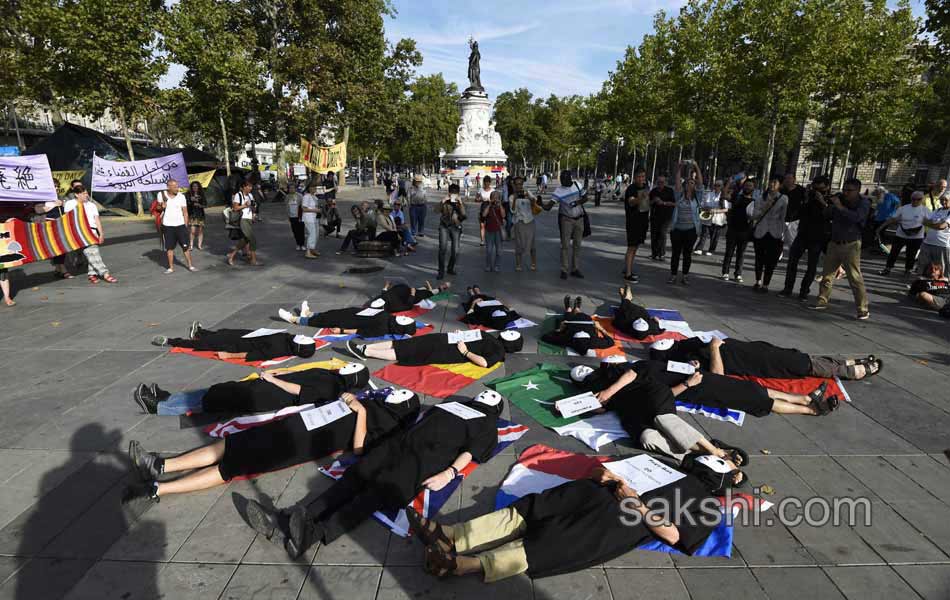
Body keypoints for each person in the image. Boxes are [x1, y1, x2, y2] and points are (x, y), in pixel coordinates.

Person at [243, 391, 504, 558]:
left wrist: (449, 473)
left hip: (420, 462)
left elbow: (472, 452)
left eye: (491, 398)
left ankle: (311, 535)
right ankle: (296, 517)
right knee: (349, 482)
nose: (486, 396)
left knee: (368, 498)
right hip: (394, 447)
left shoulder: (487, 425)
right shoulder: (451, 404)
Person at [408, 456, 731, 581]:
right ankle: (451, 535)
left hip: (623, 521)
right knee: (529, 509)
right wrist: (604, 474)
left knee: (551, 543)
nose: (718, 458)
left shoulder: (707, 505)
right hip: (591, 494)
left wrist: (635, 504)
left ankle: (461, 565)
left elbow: (674, 536)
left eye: (726, 462)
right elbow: (597, 469)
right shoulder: (661, 463)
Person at [123, 386, 419, 504]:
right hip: (299, 423)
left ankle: (158, 488)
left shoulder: (388, 425)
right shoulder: (375, 399)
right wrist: (349, 399)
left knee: (230, 466)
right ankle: (161, 465)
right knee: (231, 443)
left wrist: (362, 413)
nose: (394, 393)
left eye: (400, 395)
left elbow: (359, 451)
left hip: (300, 443)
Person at [570, 361, 750, 465]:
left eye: (584, 368)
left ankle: (714, 450)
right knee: (648, 439)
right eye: (581, 374)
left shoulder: (618, 369)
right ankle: (697, 456)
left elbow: (633, 373)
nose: (584, 371)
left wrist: (609, 391)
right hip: (632, 411)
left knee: (661, 419)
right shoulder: (593, 389)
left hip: (652, 395)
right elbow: (601, 409)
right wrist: (588, 404)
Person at [595, 359, 838, 417]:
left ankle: (805, 399)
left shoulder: (643, 368)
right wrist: (607, 394)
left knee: (756, 389)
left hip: (705, 379)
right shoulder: (637, 376)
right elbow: (631, 378)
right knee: (757, 399)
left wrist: (690, 366)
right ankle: (813, 410)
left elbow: (667, 368)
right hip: (702, 388)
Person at [132, 362, 370, 416]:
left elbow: (300, 391)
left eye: (349, 368)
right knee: (217, 390)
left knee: (212, 401)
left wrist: (273, 380)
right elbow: (301, 375)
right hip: (265, 385)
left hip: (266, 395)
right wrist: (279, 372)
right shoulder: (331, 375)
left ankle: (159, 407)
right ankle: (168, 397)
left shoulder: (330, 387)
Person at [651, 335, 882, 380]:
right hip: (756, 363)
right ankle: (849, 371)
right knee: (801, 364)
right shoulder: (688, 361)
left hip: (757, 351)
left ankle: (846, 363)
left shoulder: (688, 346)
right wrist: (714, 349)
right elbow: (717, 376)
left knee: (797, 356)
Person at [347, 329, 522, 368]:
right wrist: (460, 335)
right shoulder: (490, 338)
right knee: (406, 346)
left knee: (406, 350)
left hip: (447, 349)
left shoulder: (497, 351)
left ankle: (366, 351)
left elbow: (484, 362)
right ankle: (364, 348)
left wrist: (465, 352)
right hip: (446, 341)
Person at [151, 322, 317, 362]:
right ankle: (200, 332)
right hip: (248, 335)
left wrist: (229, 355)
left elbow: (253, 354)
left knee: (203, 345)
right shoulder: (289, 340)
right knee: (222, 333)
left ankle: (170, 341)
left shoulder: (278, 350)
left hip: (238, 345)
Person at [779, 175, 833, 301]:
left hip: (818, 237)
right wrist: (807, 199)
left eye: (821, 189)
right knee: (792, 262)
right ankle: (788, 288)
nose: (817, 192)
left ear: (827, 188)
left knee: (811, 266)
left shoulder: (832, 199)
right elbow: (797, 212)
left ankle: (804, 291)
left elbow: (831, 215)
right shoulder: (807, 196)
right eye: (815, 188)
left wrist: (822, 201)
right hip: (802, 233)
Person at [63, 185, 117, 284]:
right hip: (79, 232)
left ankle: (93, 274)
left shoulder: (92, 205)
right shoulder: (70, 204)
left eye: (86, 193)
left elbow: (97, 220)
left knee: (93, 252)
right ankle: (104, 273)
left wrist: (101, 233)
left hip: (92, 231)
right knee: (92, 252)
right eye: (83, 194)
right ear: (76, 194)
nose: (86, 195)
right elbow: (68, 219)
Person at [277, 302, 418, 337]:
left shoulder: (382, 329)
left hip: (349, 321)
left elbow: (361, 331)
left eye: (404, 320)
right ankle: (309, 313)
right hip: (354, 313)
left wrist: (341, 330)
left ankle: (295, 319)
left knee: (325, 320)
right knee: (331, 313)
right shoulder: (390, 318)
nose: (403, 317)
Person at [750, 175, 789, 293]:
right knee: (759, 258)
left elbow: (783, 217)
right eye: (771, 182)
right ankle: (758, 281)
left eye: (775, 182)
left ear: (780, 185)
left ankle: (766, 284)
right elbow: (754, 215)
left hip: (775, 232)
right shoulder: (760, 197)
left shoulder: (783, 198)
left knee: (771, 260)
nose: (772, 185)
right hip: (761, 231)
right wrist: (764, 208)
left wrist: (782, 233)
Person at [541, 295, 614, 356]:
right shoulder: (593, 342)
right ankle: (577, 308)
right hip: (586, 323)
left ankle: (569, 309)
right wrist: (600, 328)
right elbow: (611, 342)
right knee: (583, 316)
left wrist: (560, 329)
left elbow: (545, 337)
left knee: (568, 319)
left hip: (573, 323)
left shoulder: (567, 339)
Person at [669, 161, 704, 285]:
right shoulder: (679, 195)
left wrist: (696, 165)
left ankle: (685, 275)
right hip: (677, 229)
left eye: (692, 183)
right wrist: (680, 167)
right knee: (675, 254)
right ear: (684, 185)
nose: (690, 184)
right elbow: (677, 180)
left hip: (691, 230)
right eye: (688, 182)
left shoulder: (697, 197)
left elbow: (700, 182)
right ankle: (673, 275)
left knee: (687, 254)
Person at [877, 190, 927, 277]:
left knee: (911, 254)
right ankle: (888, 269)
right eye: (913, 199)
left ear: (921, 200)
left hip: (916, 236)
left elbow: (931, 222)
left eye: (918, 199)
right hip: (901, 234)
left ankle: (908, 270)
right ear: (911, 199)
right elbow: (892, 219)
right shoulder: (904, 208)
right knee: (894, 252)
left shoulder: (925, 210)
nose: (915, 201)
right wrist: (880, 228)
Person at [721, 175, 756, 282]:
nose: (748, 187)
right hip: (733, 229)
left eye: (750, 186)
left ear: (753, 188)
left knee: (741, 253)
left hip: (745, 231)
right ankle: (725, 272)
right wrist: (729, 183)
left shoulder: (755, 201)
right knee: (729, 252)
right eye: (746, 185)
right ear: (743, 187)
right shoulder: (737, 197)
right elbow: (724, 196)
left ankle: (738, 274)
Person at [553, 170, 588, 279]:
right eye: (561, 179)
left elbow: (585, 198)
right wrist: (540, 204)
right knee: (565, 245)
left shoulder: (577, 185)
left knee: (577, 245)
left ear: (570, 178)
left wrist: (576, 203)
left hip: (579, 219)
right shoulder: (559, 190)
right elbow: (549, 205)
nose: (562, 181)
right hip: (566, 220)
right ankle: (564, 269)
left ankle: (575, 269)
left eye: (564, 179)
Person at [157, 180, 197, 274]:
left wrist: (185, 225)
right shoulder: (161, 194)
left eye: (177, 186)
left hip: (180, 225)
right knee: (169, 248)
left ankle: (190, 266)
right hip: (167, 226)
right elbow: (158, 209)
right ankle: (171, 268)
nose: (177, 188)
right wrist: (162, 206)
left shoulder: (181, 196)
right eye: (174, 187)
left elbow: (185, 212)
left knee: (185, 247)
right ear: (168, 187)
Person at [622, 168, 651, 282]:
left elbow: (647, 203)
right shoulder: (631, 188)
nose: (641, 179)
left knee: (635, 247)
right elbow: (631, 201)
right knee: (631, 247)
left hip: (643, 221)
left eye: (643, 176)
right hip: (633, 222)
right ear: (634, 177)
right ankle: (628, 275)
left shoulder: (645, 187)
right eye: (639, 177)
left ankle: (627, 268)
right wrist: (641, 196)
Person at [227, 180, 261, 266]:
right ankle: (253, 260)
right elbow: (235, 208)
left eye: (251, 186)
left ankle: (231, 255)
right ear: (243, 187)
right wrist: (245, 205)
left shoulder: (250, 195)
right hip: (242, 219)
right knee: (252, 239)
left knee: (245, 240)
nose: (250, 188)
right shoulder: (238, 195)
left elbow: (253, 207)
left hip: (249, 219)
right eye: (248, 186)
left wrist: (254, 212)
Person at [511, 175, 542, 271]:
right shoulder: (512, 197)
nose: (519, 186)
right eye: (517, 184)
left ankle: (533, 263)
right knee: (518, 245)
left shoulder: (527, 192)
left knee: (532, 245)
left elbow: (536, 203)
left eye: (521, 184)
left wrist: (530, 198)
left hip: (530, 221)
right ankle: (518, 264)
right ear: (514, 185)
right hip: (519, 222)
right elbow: (513, 211)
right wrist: (515, 199)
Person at [438, 184, 467, 279]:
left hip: (455, 227)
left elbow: (464, 214)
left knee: (455, 250)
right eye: (452, 193)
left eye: (455, 193)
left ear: (458, 193)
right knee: (443, 248)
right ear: (449, 193)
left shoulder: (460, 202)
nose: (453, 195)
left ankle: (450, 267)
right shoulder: (445, 201)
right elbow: (435, 210)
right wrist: (442, 201)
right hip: (444, 226)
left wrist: (460, 203)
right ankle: (441, 271)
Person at [367, 280, 450, 313]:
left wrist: (386, 286)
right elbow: (408, 306)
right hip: (409, 296)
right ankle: (440, 288)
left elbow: (383, 293)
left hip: (402, 290)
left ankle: (426, 289)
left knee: (417, 290)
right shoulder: (394, 307)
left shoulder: (382, 298)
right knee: (422, 294)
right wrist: (412, 294)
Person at [918, 193, 950, 273]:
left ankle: (942, 284)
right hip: (927, 242)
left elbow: (941, 226)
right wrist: (935, 224)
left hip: (942, 245)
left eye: (946, 200)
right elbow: (923, 221)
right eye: (942, 199)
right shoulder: (937, 210)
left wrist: (931, 224)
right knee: (923, 266)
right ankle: (920, 284)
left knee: (941, 269)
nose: (943, 201)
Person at [695, 179, 727, 256]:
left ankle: (711, 250)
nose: (716, 187)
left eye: (718, 185)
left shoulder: (724, 196)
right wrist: (706, 208)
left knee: (715, 235)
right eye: (715, 185)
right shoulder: (709, 194)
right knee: (704, 233)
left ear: (722, 187)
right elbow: (702, 205)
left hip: (718, 218)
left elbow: (726, 209)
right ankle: (699, 248)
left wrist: (715, 211)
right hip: (707, 215)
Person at [649, 175, 676, 260]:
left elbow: (674, 203)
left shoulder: (669, 191)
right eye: (659, 182)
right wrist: (654, 200)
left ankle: (662, 254)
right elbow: (647, 203)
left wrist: (663, 203)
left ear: (665, 183)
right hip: (654, 216)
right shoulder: (653, 191)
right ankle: (654, 253)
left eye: (662, 182)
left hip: (666, 217)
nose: (660, 184)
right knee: (654, 235)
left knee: (662, 234)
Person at [866, 186, 899, 251]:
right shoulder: (880, 198)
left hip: (887, 218)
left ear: (882, 192)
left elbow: (898, 203)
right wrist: (873, 215)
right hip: (878, 218)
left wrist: (895, 213)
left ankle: (882, 248)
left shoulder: (890, 196)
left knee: (880, 231)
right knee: (875, 232)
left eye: (878, 193)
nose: (877, 194)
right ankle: (878, 246)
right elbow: (878, 208)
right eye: (876, 193)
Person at [482, 190, 506, 272]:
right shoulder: (488, 206)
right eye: (493, 197)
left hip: (498, 231)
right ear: (491, 198)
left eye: (497, 197)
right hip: (489, 230)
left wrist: (500, 205)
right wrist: (489, 204)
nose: (495, 199)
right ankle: (488, 265)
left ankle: (497, 266)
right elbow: (484, 215)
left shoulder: (500, 206)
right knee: (489, 251)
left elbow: (503, 215)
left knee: (499, 251)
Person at [300, 183, 322, 259]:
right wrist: (315, 210)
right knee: (312, 234)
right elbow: (304, 208)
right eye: (312, 187)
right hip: (308, 218)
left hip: (315, 217)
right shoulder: (306, 196)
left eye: (315, 187)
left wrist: (318, 210)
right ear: (309, 188)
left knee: (316, 234)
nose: (314, 188)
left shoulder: (315, 197)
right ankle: (308, 251)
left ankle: (312, 249)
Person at [186, 181, 207, 251]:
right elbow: (186, 204)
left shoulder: (202, 194)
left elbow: (205, 204)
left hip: (200, 214)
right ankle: (191, 245)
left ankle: (199, 245)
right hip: (192, 214)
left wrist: (199, 205)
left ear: (199, 187)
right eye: (193, 186)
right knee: (192, 231)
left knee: (200, 231)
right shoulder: (188, 194)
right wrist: (191, 201)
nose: (195, 187)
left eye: (196, 186)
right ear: (191, 187)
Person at [285, 185, 305, 250]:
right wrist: (288, 215)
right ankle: (298, 244)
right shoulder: (287, 197)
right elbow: (286, 206)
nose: (291, 189)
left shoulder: (300, 196)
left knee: (301, 230)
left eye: (293, 188)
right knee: (295, 231)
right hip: (292, 216)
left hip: (299, 216)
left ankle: (302, 244)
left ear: (295, 189)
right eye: (290, 188)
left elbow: (302, 206)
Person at [477, 175, 494, 245]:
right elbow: (476, 199)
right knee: (482, 225)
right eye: (485, 182)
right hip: (483, 208)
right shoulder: (480, 190)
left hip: (491, 209)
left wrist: (490, 200)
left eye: (488, 183)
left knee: (490, 225)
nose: (487, 184)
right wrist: (481, 199)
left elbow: (496, 200)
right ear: (484, 182)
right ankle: (482, 240)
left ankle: (490, 239)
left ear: (490, 183)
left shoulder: (493, 190)